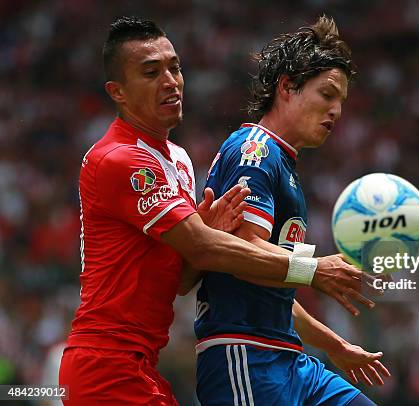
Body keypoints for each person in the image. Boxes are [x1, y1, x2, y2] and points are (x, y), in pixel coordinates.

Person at [59, 16, 376, 405]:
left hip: (145, 363)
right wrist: (311, 269)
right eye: (151, 72)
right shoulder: (121, 158)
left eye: (174, 67)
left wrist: (207, 237)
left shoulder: (176, 160)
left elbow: (183, 277)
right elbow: (209, 251)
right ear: (118, 92)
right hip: (108, 364)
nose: (170, 80)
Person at [193, 16, 390, 406]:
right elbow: (240, 254)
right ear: (287, 86)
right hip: (244, 354)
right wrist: (314, 269)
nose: (336, 110)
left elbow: (271, 281)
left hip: (289, 357)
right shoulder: (255, 151)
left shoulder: (284, 164)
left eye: (341, 102)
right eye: (327, 94)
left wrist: (336, 345)